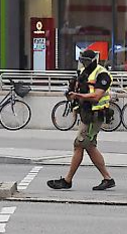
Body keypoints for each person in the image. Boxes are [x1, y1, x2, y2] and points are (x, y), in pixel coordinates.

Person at [47, 50, 115, 191]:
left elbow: (96, 96)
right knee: (87, 146)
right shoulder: (84, 72)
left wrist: (77, 95)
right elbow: (81, 87)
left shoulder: (102, 74)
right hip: (86, 114)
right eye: (82, 60)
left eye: (86, 60)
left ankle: (68, 180)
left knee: (81, 144)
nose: (84, 63)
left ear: (94, 60)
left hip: (96, 114)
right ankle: (107, 178)